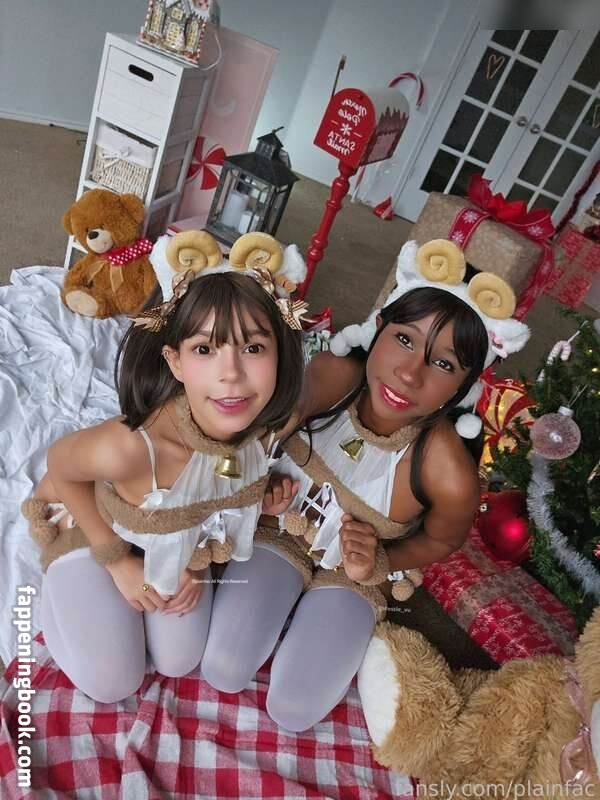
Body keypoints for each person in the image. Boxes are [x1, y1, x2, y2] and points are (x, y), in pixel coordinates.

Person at [199, 237, 531, 731]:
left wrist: (380, 560)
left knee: (294, 710)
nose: (410, 373)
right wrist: (253, 489)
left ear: (465, 386)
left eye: (443, 364)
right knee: (223, 670)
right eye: (404, 339)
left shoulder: (449, 472)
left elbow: (442, 538)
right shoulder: (331, 378)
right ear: (378, 327)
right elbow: (251, 440)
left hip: (354, 577)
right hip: (280, 534)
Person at [20, 231, 330, 704]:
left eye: (252, 348)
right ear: (176, 361)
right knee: (113, 682)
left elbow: (219, 480)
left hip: (170, 538)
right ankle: (64, 588)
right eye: (205, 349)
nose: (231, 373)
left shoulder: (265, 427)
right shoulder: (131, 447)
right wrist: (118, 562)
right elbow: (60, 466)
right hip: (99, 528)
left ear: (279, 356)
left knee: (178, 659)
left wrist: (193, 553)